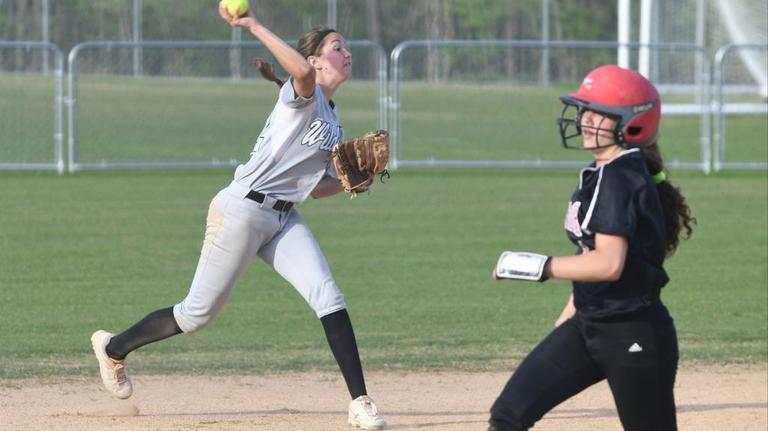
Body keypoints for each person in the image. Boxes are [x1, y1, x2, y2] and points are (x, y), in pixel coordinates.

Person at [90, 4, 386, 430]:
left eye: (346, 47)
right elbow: (299, 74)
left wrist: (349, 182)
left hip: (283, 219)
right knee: (196, 315)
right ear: (316, 60)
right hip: (242, 210)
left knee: (329, 297)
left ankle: (361, 402)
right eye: (337, 47)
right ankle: (114, 348)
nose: (347, 53)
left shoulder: (333, 123)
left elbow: (314, 189)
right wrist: (253, 24)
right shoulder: (302, 95)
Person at [487, 65, 696, 431]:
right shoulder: (603, 171)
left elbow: (609, 263)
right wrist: (574, 302)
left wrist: (540, 266)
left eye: (599, 113)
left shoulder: (620, 176)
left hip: (633, 332)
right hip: (590, 323)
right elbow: (591, 248)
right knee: (509, 413)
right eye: (585, 109)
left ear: (631, 123)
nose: (585, 119)